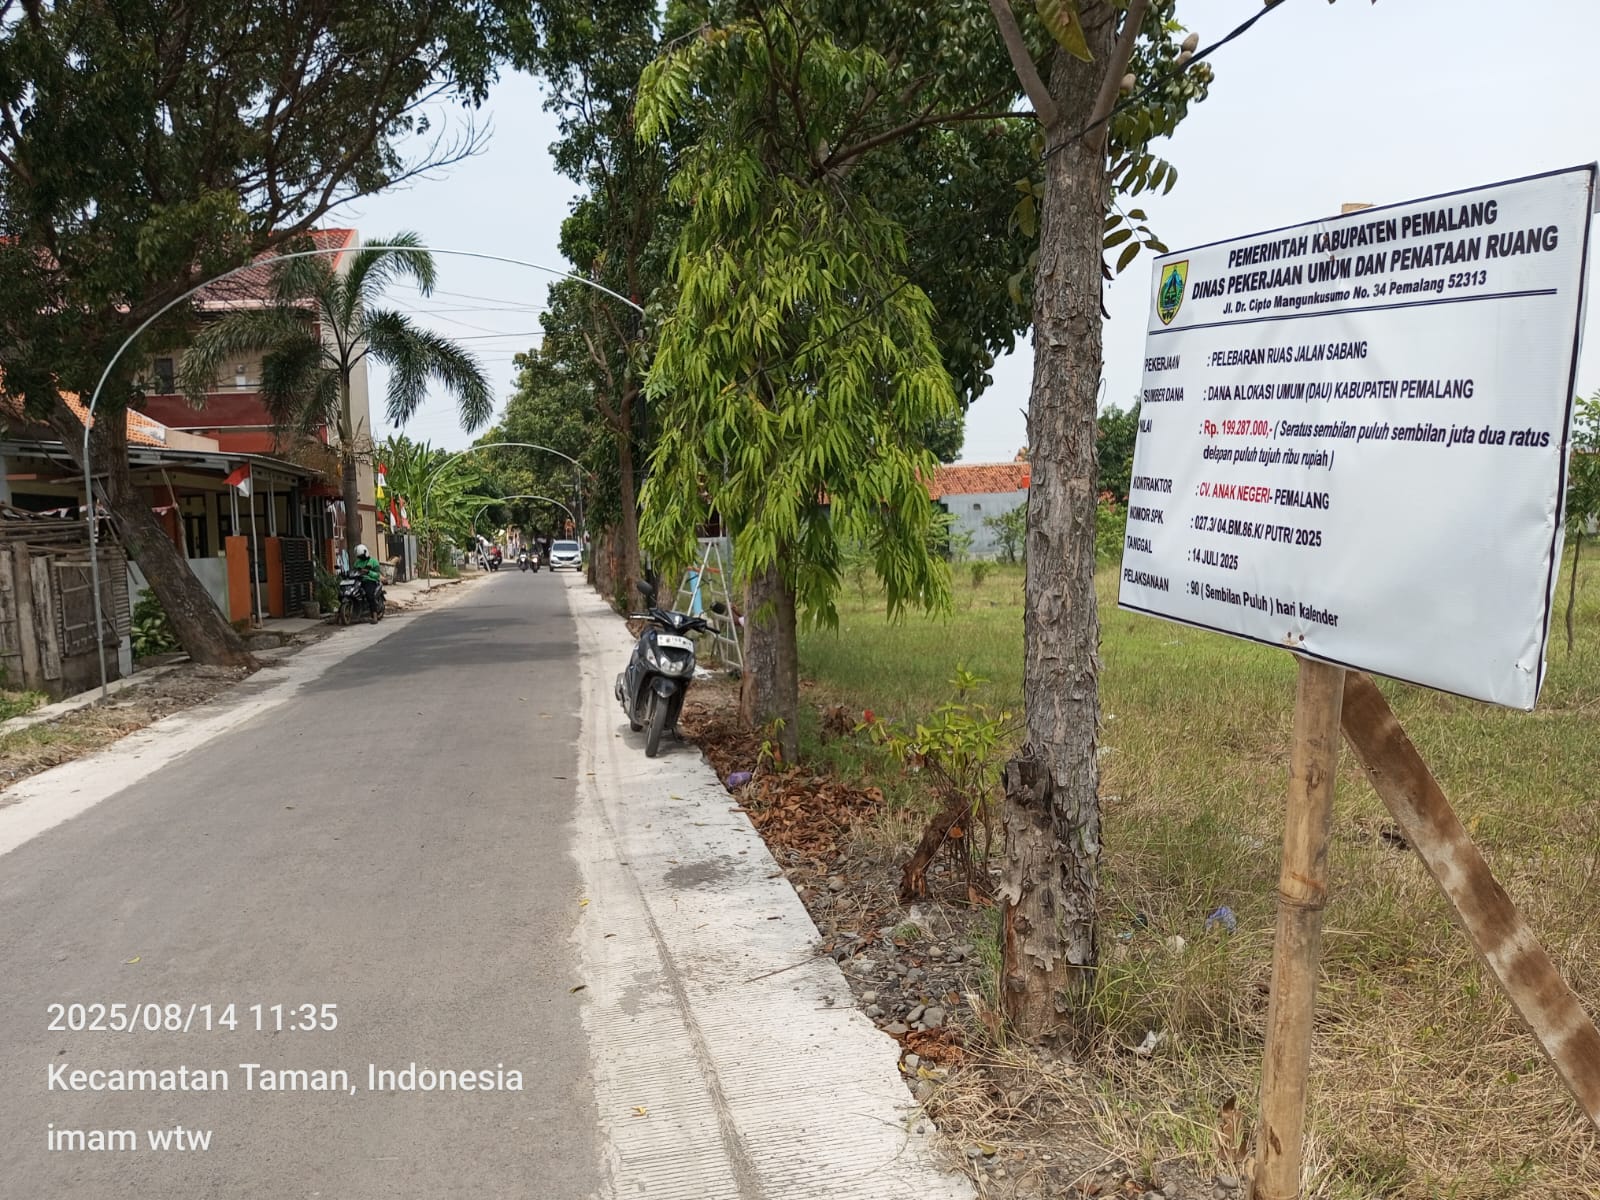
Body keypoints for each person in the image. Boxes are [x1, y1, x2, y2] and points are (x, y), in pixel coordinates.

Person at [352, 543, 381, 619]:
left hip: (370, 581)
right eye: (359, 556)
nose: (360, 558)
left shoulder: (373, 561)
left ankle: (374, 616)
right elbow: (354, 571)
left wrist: (368, 572)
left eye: (361, 556)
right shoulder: (357, 562)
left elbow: (377, 575)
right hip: (358, 581)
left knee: (369, 595)